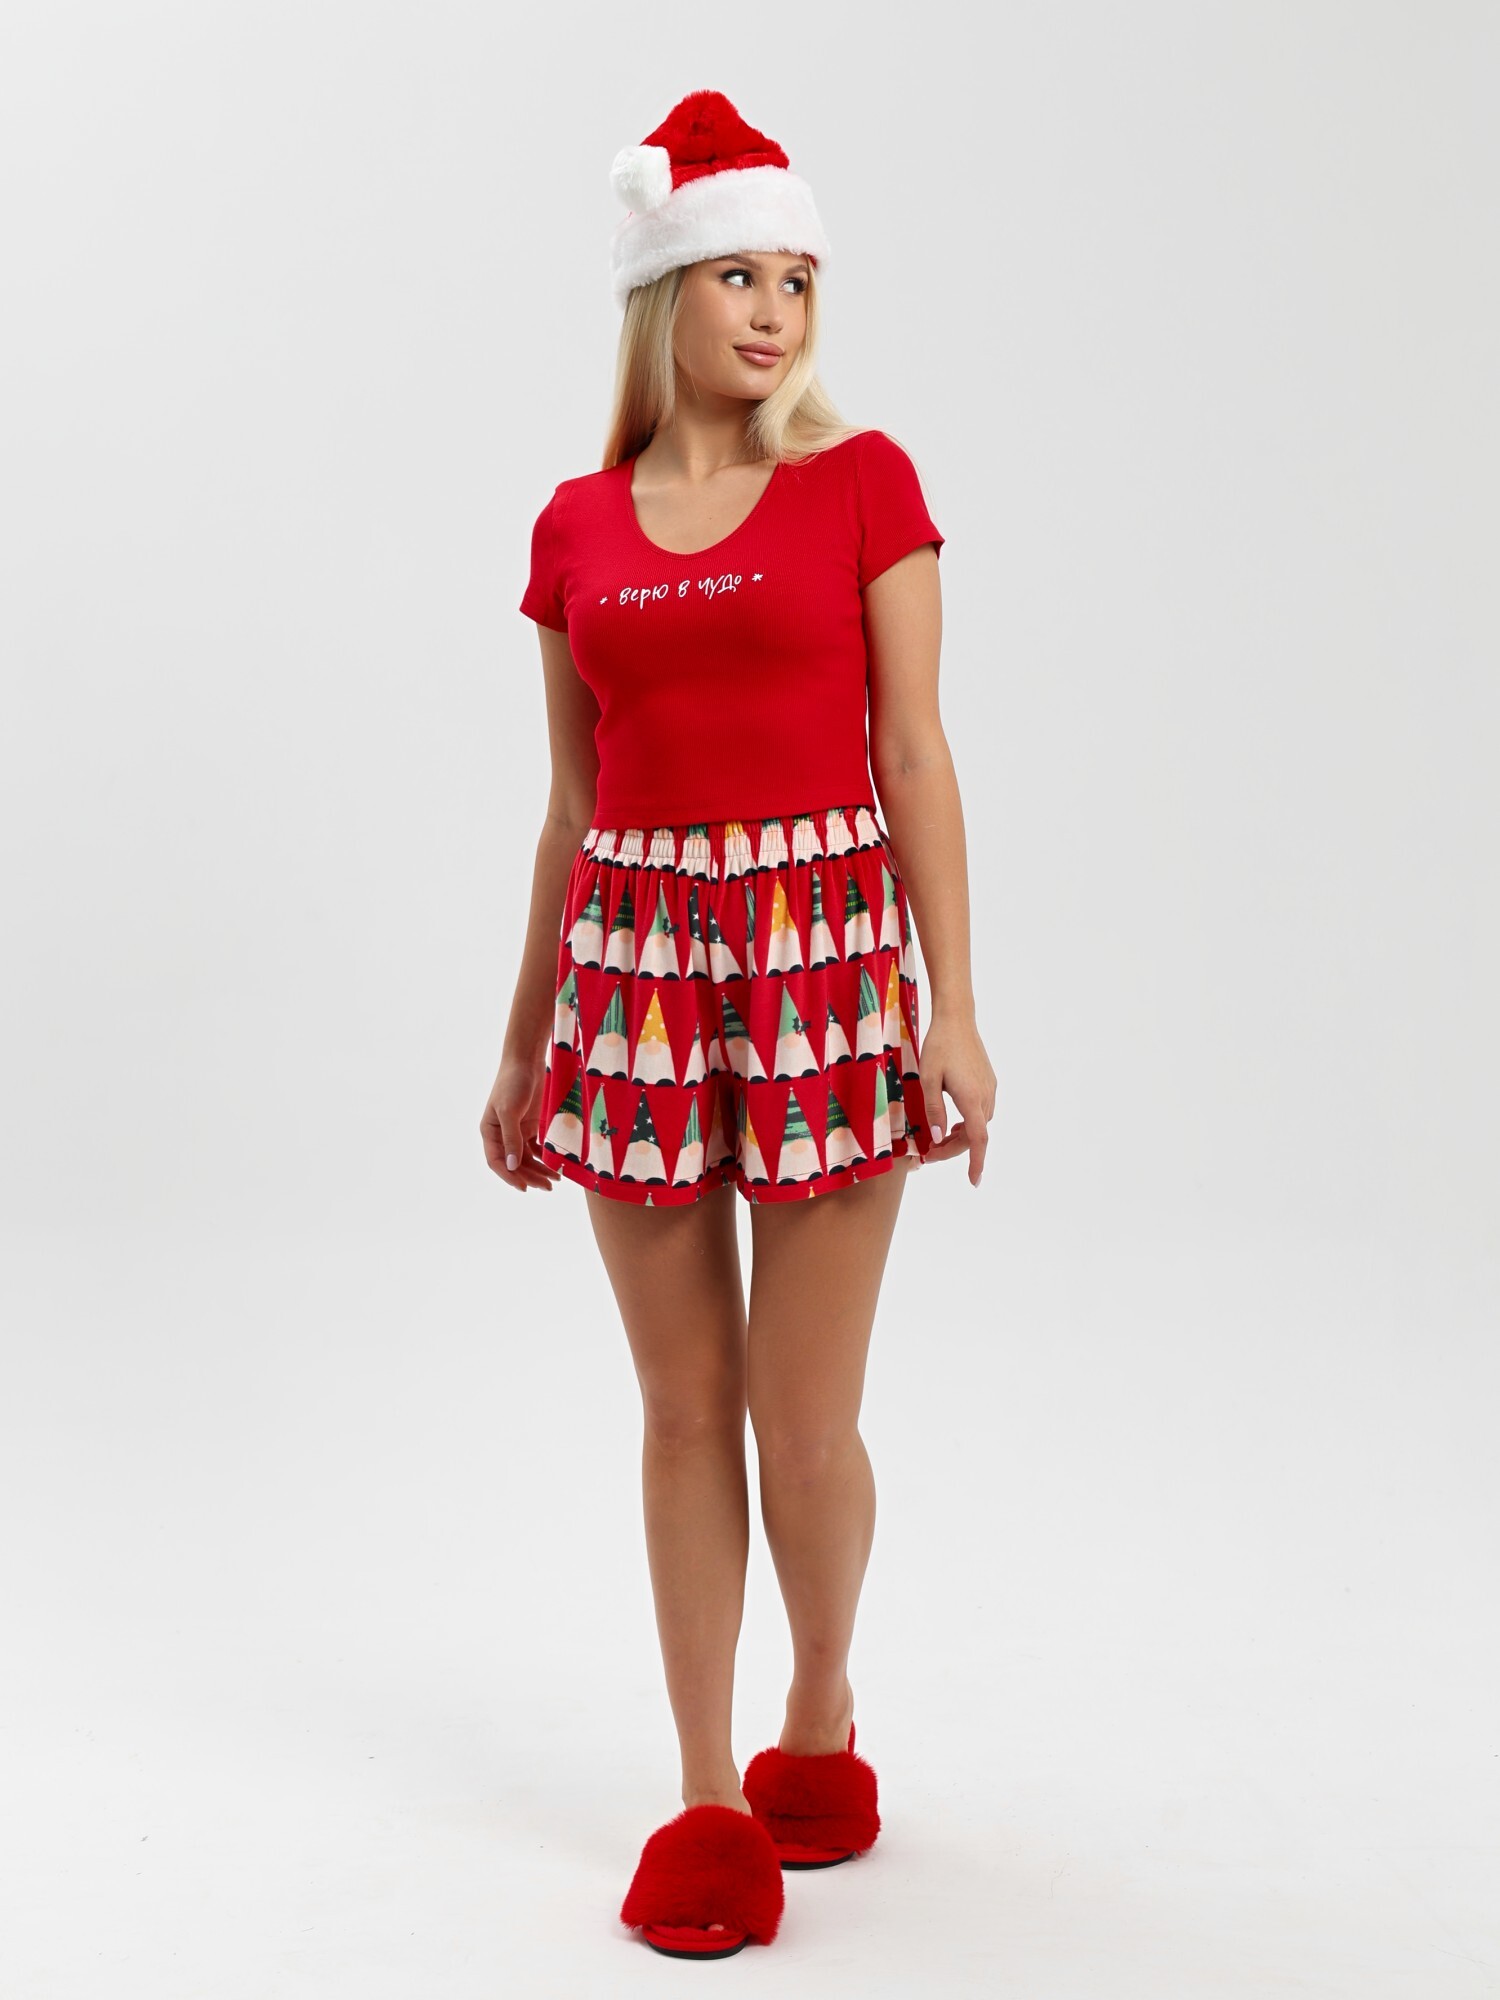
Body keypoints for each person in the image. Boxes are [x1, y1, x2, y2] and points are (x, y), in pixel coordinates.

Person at [481, 88, 997, 1959]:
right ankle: (708, 1794)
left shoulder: (865, 487)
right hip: (632, 975)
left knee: (804, 1416)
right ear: (662, 296)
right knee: (683, 1409)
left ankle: (818, 1708)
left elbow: (914, 753)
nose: (774, 311)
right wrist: (526, 1042)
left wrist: (956, 1008)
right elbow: (572, 802)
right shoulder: (573, 527)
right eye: (738, 278)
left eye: (796, 280)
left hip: (824, 963)